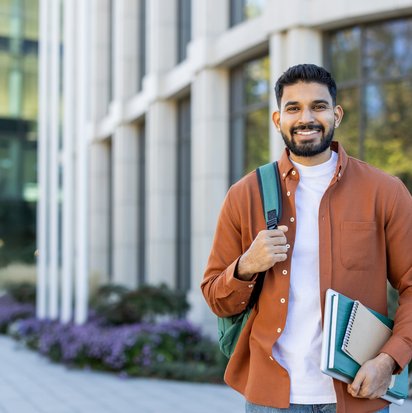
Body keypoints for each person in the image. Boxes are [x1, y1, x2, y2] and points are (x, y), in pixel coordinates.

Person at [201, 64, 412, 413]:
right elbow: (216, 297)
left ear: (336, 114)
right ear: (277, 119)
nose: (306, 118)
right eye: (293, 108)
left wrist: (390, 359)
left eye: (318, 106)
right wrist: (246, 266)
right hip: (271, 398)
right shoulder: (245, 195)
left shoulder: (385, 192)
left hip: (358, 392)